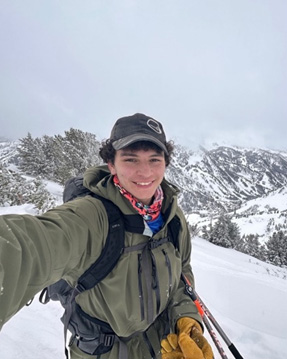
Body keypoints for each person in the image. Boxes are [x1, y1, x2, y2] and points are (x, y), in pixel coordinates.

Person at [0, 113, 214, 359]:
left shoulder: (173, 218)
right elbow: (26, 246)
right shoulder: (92, 217)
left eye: (155, 159)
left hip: (162, 348)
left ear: (166, 163)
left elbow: (181, 274)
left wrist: (186, 318)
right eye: (130, 159)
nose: (145, 172)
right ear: (111, 164)